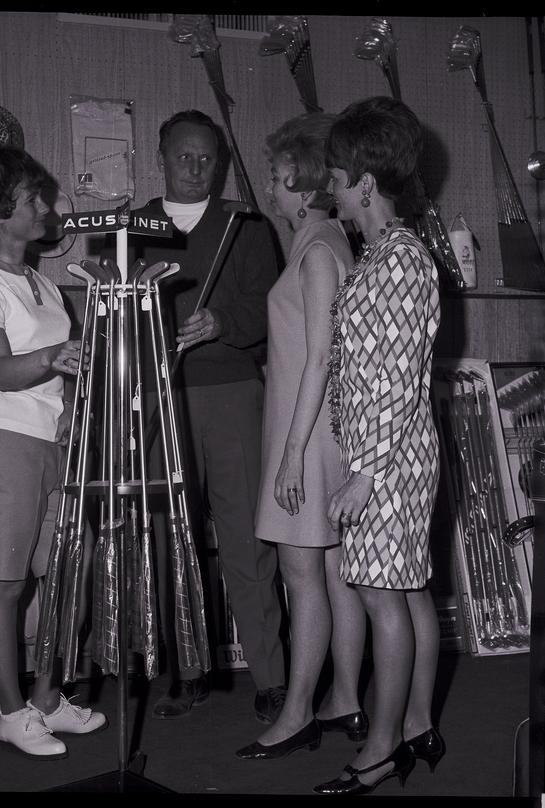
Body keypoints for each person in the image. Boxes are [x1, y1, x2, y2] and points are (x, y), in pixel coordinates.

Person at [107, 110, 286, 722]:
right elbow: (112, 318)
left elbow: (269, 311)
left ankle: (271, 678)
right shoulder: (130, 228)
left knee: (247, 542)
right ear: (159, 158)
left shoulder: (246, 224)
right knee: (164, 541)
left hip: (234, 395)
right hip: (158, 399)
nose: (195, 168)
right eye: (184, 157)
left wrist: (223, 322)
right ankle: (187, 672)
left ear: (221, 163)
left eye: (207, 158)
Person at [0, 141, 106, 760]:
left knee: (72, 567)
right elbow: (2, 371)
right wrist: (53, 357)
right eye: (30, 198)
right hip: (1, 443)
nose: (44, 206)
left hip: (51, 442)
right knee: (6, 584)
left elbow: (59, 372)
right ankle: (11, 713)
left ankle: (47, 697)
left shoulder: (42, 283)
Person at [312, 96, 444, 795]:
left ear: (365, 183)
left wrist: (362, 473)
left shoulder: (397, 260)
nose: (328, 190)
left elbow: (392, 378)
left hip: (386, 457)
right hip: (393, 449)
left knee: (379, 593)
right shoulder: (389, 255)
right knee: (407, 589)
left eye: (335, 178)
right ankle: (417, 723)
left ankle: (384, 746)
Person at [235, 113, 368, 761]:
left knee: (301, 574)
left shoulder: (317, 249)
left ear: (301, 178)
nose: (269, 183)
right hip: (316, 431)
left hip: (307, 436)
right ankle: (344, 699)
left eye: (275, 172)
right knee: (335, 573)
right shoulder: (325, 241)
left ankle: (296, 715)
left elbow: (319, 359)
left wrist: (289, 457)